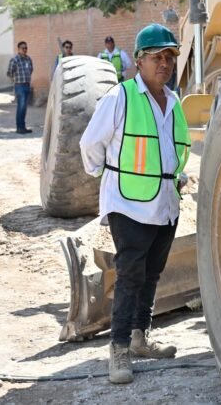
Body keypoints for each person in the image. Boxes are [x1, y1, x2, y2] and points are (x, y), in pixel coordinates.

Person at [80, 24, 192, 385]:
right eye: (157, 57)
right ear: (139, 61)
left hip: (165, 203)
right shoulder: (121, 97)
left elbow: (175, 149)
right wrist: (108, 177)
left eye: (170, 57)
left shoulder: (173, 101)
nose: (165, 63)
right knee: (130, 274)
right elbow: (90, 145)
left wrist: (176, 176)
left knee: (152, 273)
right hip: (128, 203)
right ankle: (118, 350)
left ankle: (140, 338)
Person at [6, 41, 33, 134]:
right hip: (19, 86)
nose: (25, 49)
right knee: (21, 107)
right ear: (18, 49)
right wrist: (15, 80)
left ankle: (23, 127)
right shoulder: (15, 60)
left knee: (24, 107)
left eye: (26, 48)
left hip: (27, 85)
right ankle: (19, 127)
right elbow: (9, 72)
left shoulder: (28, 59)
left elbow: (31, 70)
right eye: (23, 48)